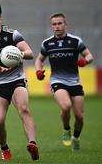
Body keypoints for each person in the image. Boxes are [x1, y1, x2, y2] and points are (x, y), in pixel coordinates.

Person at [0, 2, 39, 161]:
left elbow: (30, 53)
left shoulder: (13, 34)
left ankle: (33, 144)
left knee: (24, 108)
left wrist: (19, 54)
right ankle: (4, 148)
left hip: (17, 78)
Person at [35, 13, 93, 150]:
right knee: (66, 106)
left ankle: (76, 137)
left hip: (75, 83)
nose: (57, 26)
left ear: (65, 24)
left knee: (79, 116)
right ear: (52, 26)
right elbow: (39, 59)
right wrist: (39, 70)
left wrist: (85, 61)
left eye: (59, 23)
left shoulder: (75, 41)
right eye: (54, 24)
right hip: (57, 80)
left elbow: (89, 55)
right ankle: (66, 129)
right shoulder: (47, 43)